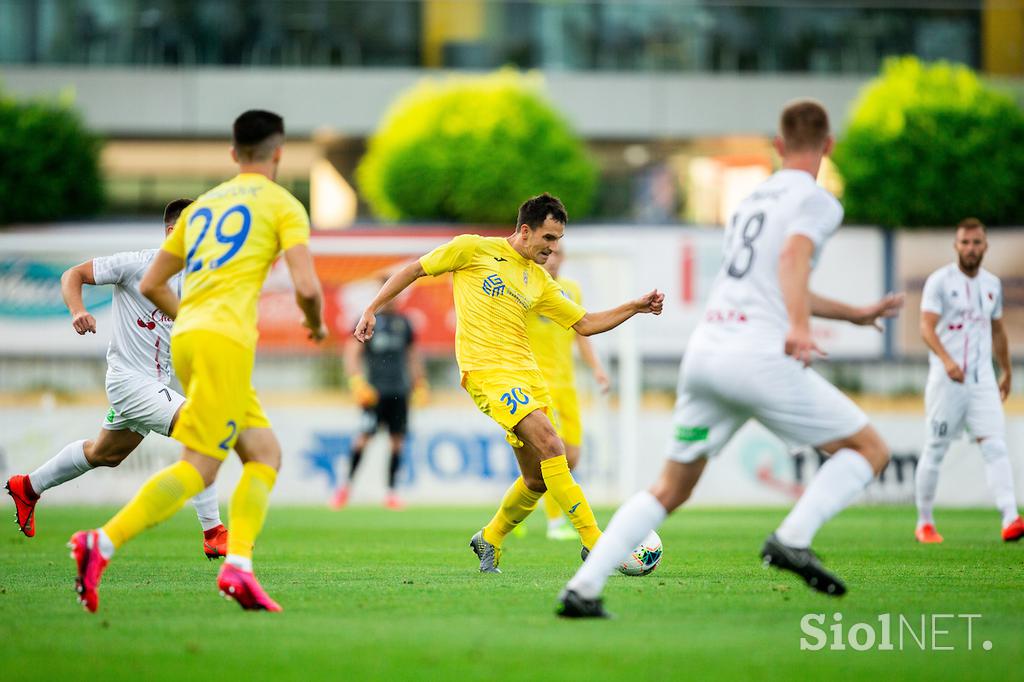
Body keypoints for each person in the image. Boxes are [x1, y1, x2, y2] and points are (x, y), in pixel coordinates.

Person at [557, 100, 904, 618]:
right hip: (756, 356)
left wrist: (852, 314)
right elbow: (792, 262)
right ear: (828, 146)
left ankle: (582, 589)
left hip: (706, 354)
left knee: (669, 488)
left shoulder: (749, 201)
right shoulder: (819, 201)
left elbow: (773, 280)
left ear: (778, 146)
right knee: (870, 449)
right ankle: (793, 537)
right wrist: (801, 329)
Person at [67, 109, 326, 613]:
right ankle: (101, 543)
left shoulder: (202, 208)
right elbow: (307, 287)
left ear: (233, 154)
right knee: (201, 464)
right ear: (278, 153)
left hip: (189, 341)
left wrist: (190, 320)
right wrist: (315, 325)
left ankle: (239, 567)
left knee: (264, 453)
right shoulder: (283, 204)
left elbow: (150, 284)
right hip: (224, 343)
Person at [353, 193, 664, 573]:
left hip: (528, 377)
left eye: (558, 241)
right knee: (554, 444)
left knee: (536, 479)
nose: (553, 249)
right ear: (525, 230)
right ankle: (594, 542)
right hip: (486, 373)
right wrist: (372, 308)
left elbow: (585, 323)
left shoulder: (540, 282)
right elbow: (413, 270)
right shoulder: (472, 250)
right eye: (548, 239)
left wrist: (634, 306)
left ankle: (490, 538)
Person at [5, 199, 227, 559]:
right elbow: (72, 275)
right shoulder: (136, 264)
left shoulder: (197, 279)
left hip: (154, 385)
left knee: (105, 453)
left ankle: (28, 486)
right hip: (127, 380)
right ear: (173, 232)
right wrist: (78, 311)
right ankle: (214, 531)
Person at [914, 218, 1022, 543]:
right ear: (956, 246)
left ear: (985, 246)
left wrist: (1006, 370)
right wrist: (946, 361)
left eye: (976, 243)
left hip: (982, 381)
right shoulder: (939, 282)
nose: (970, 248)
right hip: (947, 383)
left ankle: (1010, 518)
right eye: (965, 242)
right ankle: (925, 522)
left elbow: (998, 330)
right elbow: (925, 327)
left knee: (995, 446)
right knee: (935, 449)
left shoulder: (991, 284)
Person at [525, 245, 610, 540]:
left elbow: (582, 333)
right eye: (548, 252)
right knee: (554, 454)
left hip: (567, 385)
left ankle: (522, 503)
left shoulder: (571, 290)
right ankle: (554, 523)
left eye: (558, 253)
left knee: (572, 457)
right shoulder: (526, 289)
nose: (553, 259)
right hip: (537, 385)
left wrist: (597, 368)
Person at [331, 291, 426, 510]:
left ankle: (392, 492)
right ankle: (344, 488)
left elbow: (412, 356)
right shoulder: (368, 320)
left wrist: (420, 383)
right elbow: (352, 352)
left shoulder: (404, 323)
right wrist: (356, 382)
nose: (394, 299)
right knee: (363, 439)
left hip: (400, 391)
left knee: (397, 443)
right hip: (374, 393)